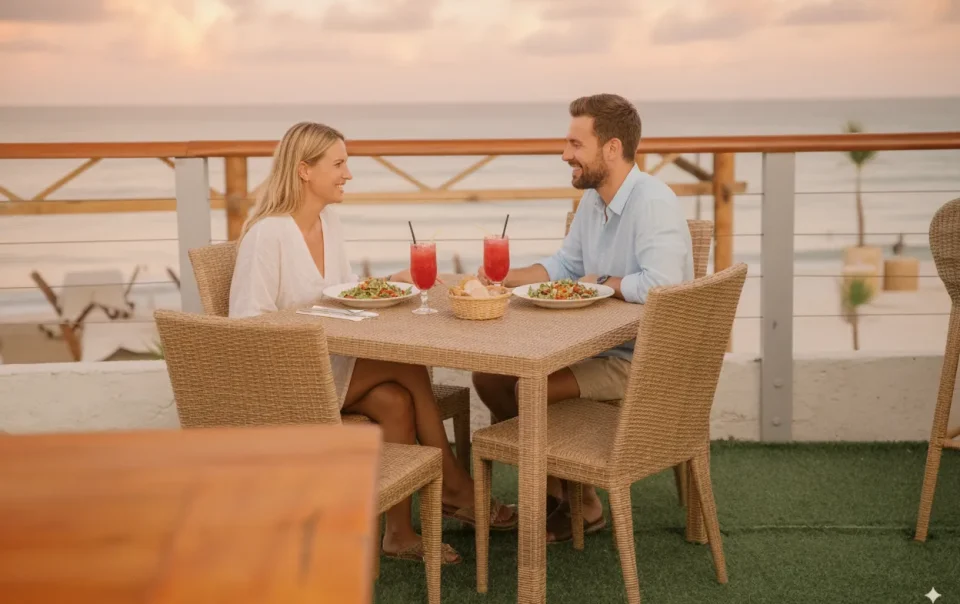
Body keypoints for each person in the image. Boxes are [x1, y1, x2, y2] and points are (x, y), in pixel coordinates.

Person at [229, 121, 517, 565]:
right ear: (304, 170)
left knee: (395, 401)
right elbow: (245, 327)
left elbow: (339, 293)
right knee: (406, 366)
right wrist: (310, 333)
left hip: (328, 364)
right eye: (338, 164)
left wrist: (387, 281)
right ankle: (456, 487)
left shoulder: (328, 222)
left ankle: (398, 534)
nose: (348, 174)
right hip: (286, 380)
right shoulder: (268, 235)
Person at [472, 94, 693, 543]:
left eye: (575, 144)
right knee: (489, 378)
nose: (564, 154)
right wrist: (509, 278)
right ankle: (563, 491)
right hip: (601, 346)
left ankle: (583, 504)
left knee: (532, 389)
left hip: (642, 360)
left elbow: (663, 285)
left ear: (611, 148)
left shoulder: (653, 203)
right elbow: (566, 266)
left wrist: (605, 281)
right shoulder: (594, 201)